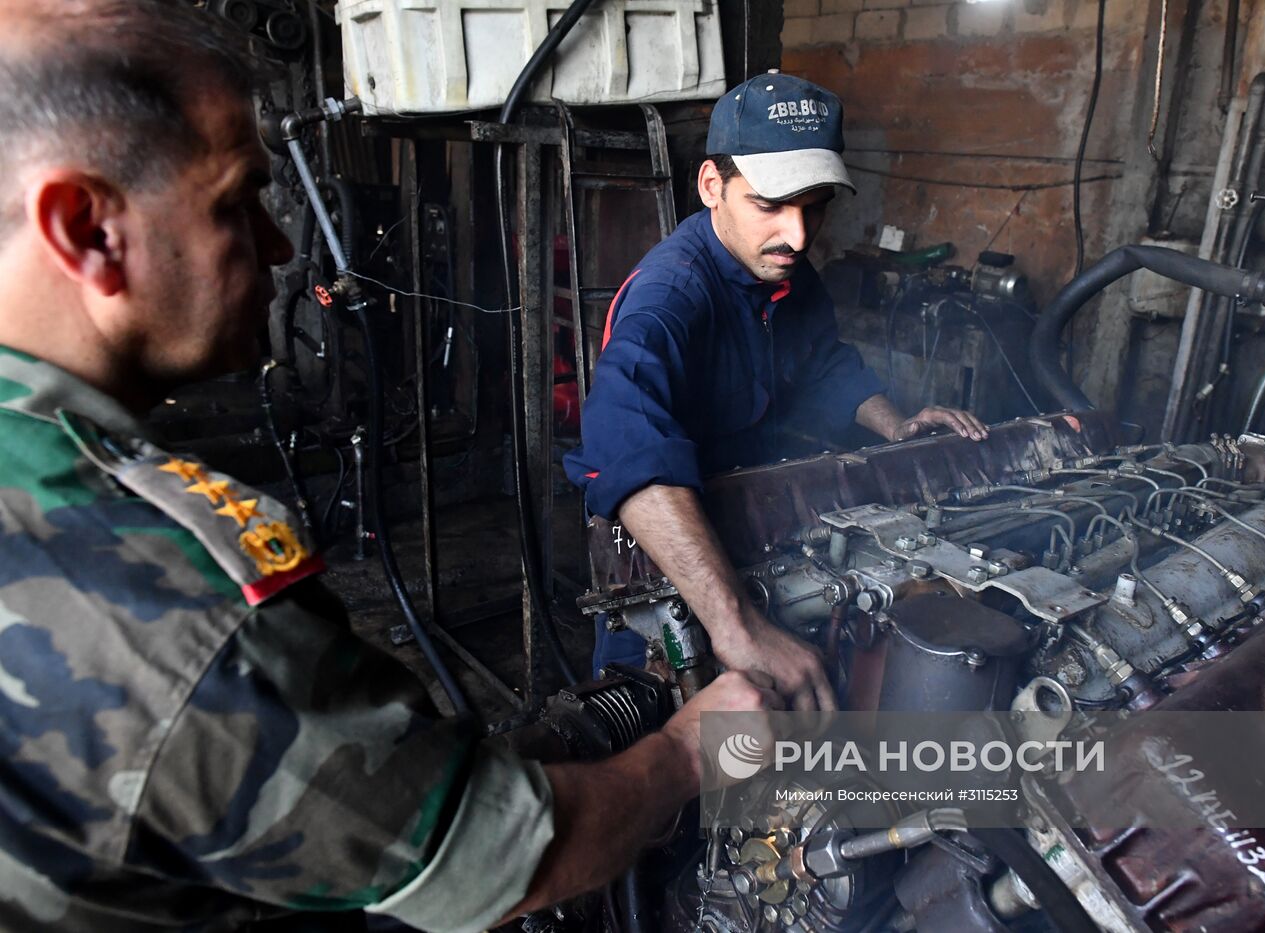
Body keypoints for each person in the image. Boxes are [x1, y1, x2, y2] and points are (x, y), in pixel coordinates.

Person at [0, 2, 778, 930]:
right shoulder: (168, 607)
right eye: (237, 200)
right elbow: (500, 860)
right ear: (87, 230)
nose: (283, 244)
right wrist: (693, 750)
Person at [565, 72, 988, 710]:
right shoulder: (670, 296)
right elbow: (627, 448)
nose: (797, 234)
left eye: (813, 204)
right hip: (670, 559)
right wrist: (735, 623)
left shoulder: (785, 267)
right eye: (770, 204)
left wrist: (894, 426)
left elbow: (825, 364)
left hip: (758, 530)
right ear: (714, 185)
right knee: (659, 723)